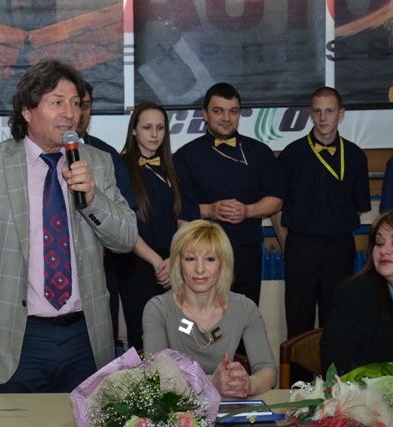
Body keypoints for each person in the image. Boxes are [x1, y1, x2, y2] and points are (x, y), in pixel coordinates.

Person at [0, 59, 138, 393]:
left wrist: (93, 198)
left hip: (85, 338)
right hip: (12, 340)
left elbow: (126, 239)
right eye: (57, 102)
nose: (70, 113)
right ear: (27, 111)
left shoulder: (98, 163)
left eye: (75, 103)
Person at [272, 87, 371, 339]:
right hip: (301, 246)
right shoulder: (291, 154)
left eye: (329, 111)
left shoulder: (355, 156)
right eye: (317, 111)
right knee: (298, 321)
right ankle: (297, 368)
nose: (323, 118)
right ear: (310, 114)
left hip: (340, 247)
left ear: (341, 114)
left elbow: (359, 206)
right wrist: (288, 244)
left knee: (337, 319)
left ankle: (334, 367)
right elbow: (276, 206)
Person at [173, 83, 282, 307]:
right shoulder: (185, 156)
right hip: (202, 256)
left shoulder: (260, 153)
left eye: (233, 111)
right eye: (218, 111)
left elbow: (276, 200)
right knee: (203, 319)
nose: (226, 118)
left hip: (248, 253)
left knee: (245, 316)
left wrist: (249, 210)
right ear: (205, 114)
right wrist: (209, 210)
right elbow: (176, 206)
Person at [142, 220, 277, 398]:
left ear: (222, 263)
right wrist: (210, 383)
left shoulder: (245, 308)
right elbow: (155, 376)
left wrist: (248, 384)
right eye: (190, 259)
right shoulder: (158, 309)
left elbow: (268, 371)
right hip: (177, 409)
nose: (200, 269)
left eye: (210, 259)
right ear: (178, 263)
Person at [76, 81, 137, 353]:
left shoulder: (106, 156)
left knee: (102, 350)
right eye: (71, 105)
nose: (78, 113)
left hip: (102, 268)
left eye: (84, 106)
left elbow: (125, 218)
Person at [117, 102, 183, 351]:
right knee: (144, 340)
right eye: (147, 128)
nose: (154, 134)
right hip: (137, 268)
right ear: (134, 130)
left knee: (176, 338)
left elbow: (185, 218)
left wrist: (175, 260)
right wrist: (157, 262)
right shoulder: (120, 167)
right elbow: (122, 225)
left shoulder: (174, 167)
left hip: (174, 266)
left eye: (160, 128)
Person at [320, 211, 393, 374]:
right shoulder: (352, 295)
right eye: (379, 243)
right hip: (367, 390)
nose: (384, 250)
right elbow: (338, 363)